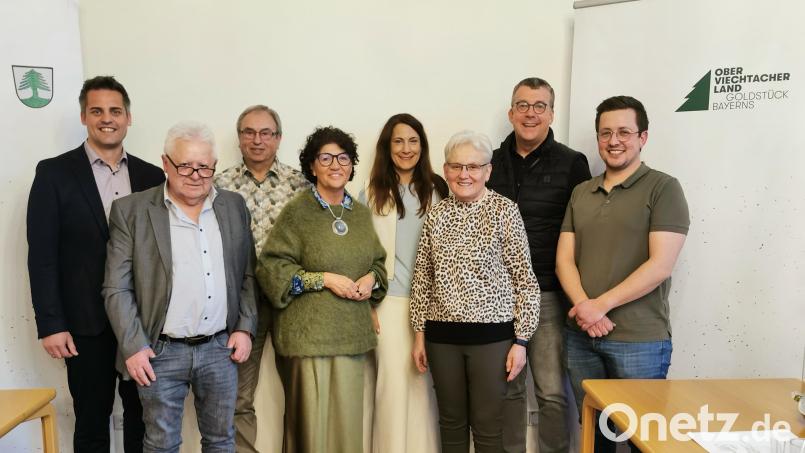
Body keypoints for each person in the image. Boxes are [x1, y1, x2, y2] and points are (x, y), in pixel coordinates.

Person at [26, 75, 164, 452]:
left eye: (115, 111)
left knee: (143, 421)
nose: (107, 119)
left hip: (141, 322)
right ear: (84, 117)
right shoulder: (54, 173)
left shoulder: (153, 177)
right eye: (97, 111)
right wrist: (51, 324)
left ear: (128, 117)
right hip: (85, 324)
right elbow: (42, 256)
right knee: (91, 423)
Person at [103, 121, 258, 452]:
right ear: (165, 163)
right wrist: (133, 346)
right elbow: (116, 288)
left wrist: (245, 328)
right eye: (185, 165)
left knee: (222, 441)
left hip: (220, 350)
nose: (195, 175)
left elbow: (247, 274)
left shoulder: (234, 206)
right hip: (159, 351)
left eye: (204, 167)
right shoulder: (132, 211)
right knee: (161, 444)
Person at [556, 96, 689, 452]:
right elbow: (564, 261)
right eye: (606, 133)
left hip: (639, 340)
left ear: (643, 137)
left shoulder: (664, 188)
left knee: (643, 441)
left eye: (624, 132)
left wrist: (598, 306)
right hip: (581, 337)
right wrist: (586, 309)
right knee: (595, 439)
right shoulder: (581, 192)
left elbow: (660, 265)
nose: (614, 141)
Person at [257, 126, 387, 453]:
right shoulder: (297, 212)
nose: (335, 165)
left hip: (350, 337)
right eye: (325, 158)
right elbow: (271, 269)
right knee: (311, 433)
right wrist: (324, 279)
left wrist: (371, 279)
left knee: (346, 431)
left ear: (351, 165)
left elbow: (378, 263)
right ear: (312, 166)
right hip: (307, 340)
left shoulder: (359, 215)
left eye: (343, 158)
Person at [410, 130, 541, 453]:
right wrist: (419, 335)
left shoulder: (505, 211)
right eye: (456, 166)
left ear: (488, 171)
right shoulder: (436, 215)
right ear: (445, 170)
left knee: (487, 426)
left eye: (473, 166)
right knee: (450, 423)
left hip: (492, 339)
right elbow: (423, 278)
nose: (464, 174)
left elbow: (525, 280)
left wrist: (521, 341)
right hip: (442, 338)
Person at [486, 77, 591, 453]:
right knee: (508, 389)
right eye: (523, 105)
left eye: (539, 106)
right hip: (498, 298)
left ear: (552, 113)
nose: (530, 114)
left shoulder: (572, 163)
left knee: (551, 392)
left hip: (548, 294)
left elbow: (584, 231)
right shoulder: (489, 162)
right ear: (511, 112)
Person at [215, 105, 309, 453]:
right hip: (241, 305)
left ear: (278, 138)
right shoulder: (218, 185)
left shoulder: (300, 184)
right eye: (249, 132)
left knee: (301, 395)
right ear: (239, 137)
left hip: (291, 302)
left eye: (266, 133)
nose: (257, 140)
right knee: (237, 396)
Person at [359, 113, 448, 453]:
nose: (406, 148)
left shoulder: (438, 191)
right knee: (393, 389)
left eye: (413, 141)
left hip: (433, 306)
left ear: (422, 146)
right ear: (387, 146)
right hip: (389, 304)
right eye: (398, 141)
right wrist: (368, 306)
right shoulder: (371, 193)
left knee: (424, 392)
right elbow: (359, 254)